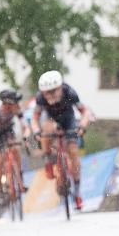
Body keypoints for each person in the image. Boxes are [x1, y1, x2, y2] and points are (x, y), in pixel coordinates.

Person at [31, 70, 91, 210]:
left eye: (53, 91)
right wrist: (36, 131)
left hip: (68, 119)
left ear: (60, 87)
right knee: (46, 129)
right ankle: (47, 159)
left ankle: (77, 192)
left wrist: (82, 126)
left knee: (73, 152)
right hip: (51, 120)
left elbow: (85, 112)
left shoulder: (69, 92)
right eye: (47, 92)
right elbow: (35, 118)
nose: (50, 95)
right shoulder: (40, 97)